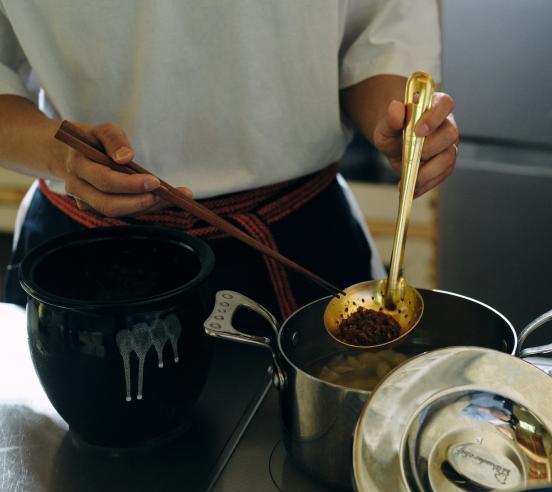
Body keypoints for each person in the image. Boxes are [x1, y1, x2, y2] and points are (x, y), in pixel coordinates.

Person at [0, 2, 458, 319]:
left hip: (299, 245)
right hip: (84, 262)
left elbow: (376, 36)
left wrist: (401, 126)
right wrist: (63, 156)